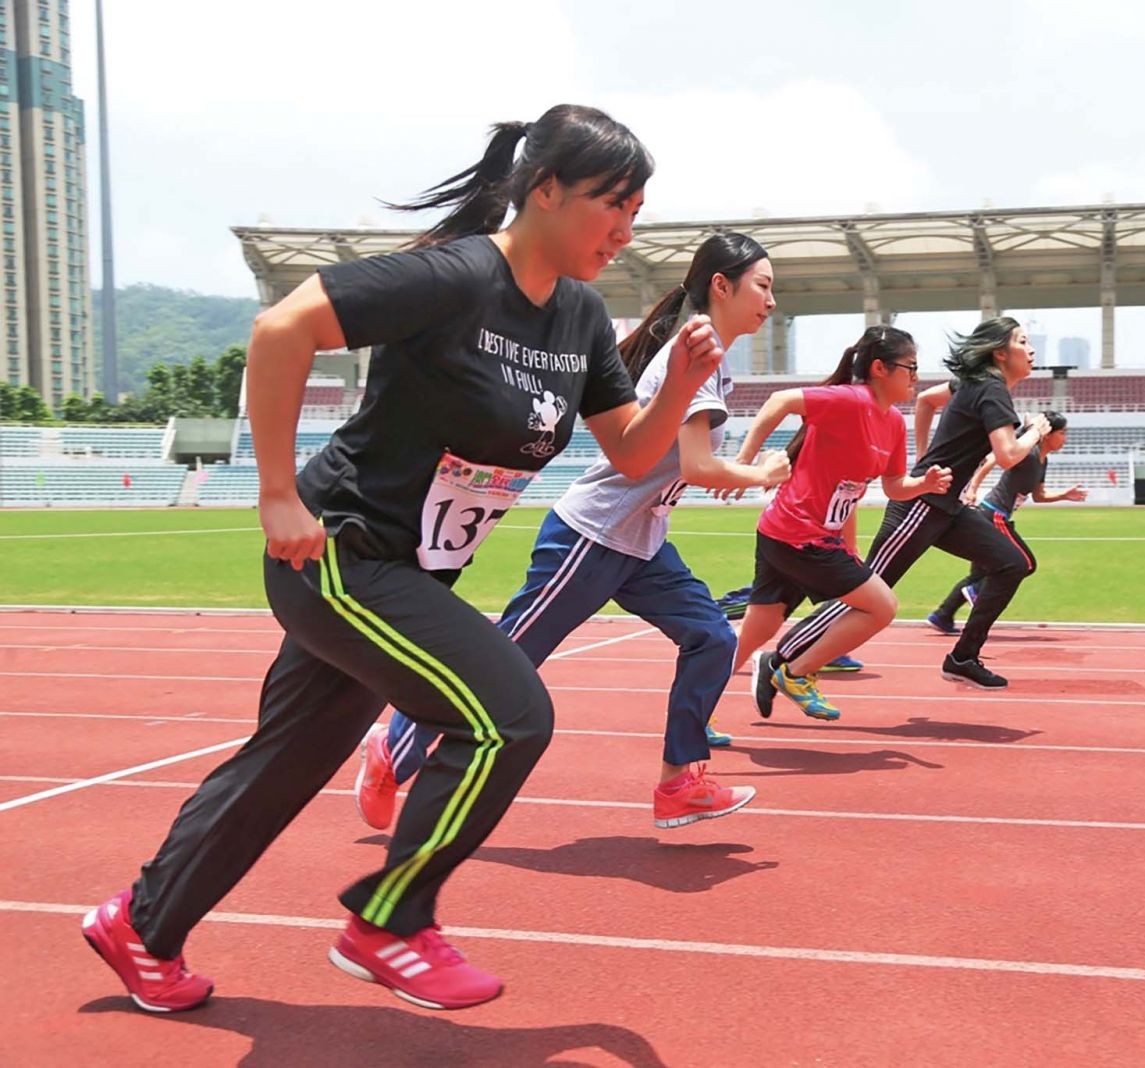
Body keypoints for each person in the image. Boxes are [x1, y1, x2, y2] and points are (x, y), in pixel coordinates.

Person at [82, 106, 724, 1014]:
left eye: (637, 207)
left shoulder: (579, 315)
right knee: (509, 716)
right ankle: (389, 921)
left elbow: (628, 451)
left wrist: (683, 390)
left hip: (410, 574)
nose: (626, 227)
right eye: (611, 203)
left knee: (289, 759)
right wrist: (276, 494)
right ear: (544, 191)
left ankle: (141, 928)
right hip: (340, 553)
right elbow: (281, 329)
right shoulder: (458, 276)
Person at [355, 232, 790, 834]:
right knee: (505, 662)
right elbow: (698, 468)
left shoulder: (708, 357)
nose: (771, 301)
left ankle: (679, 784)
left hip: (640, 542)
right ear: (722, 285)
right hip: (590, 536)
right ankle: (393, 751)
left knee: (713, 639)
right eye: (763, 286)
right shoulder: (694, 353)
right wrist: (762, 473)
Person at [756, 317, 1051, 697]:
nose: (1031, 350)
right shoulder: (990, 388)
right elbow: (1008, 454)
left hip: (948, 507)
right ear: (999, 352)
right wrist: (1034, 433)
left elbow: (928, 400)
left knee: (1014, 562)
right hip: (920, 506)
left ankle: (963, 657)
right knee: (867, 591)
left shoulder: (976, 383)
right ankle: (779, 659)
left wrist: (926, 454)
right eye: (1023, 342)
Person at [725, 325, 951, 720]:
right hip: (798, 533)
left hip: (795, 534)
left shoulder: (894, 423)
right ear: (880, 368)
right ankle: (794, 673)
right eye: (910, 368)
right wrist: (743, 463)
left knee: (757, 631)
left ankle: (696, 707)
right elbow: (779, 401)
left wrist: (923, 484)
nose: (916, 377)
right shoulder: (850, 401)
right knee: (881, 607)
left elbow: (894, 486)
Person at [927, 410, 1083, 631]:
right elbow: (991, 460)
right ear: (1047, 434)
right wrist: (972, 488)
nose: (1065, 439)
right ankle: (975, 595)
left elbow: (1039, 496)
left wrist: (1064, 495)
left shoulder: (1042, 461)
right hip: (994, 515)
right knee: (1025, 563)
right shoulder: (1027, 453)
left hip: (994, 515)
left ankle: (942, 616)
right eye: (1062, 433)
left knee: (980, 575)